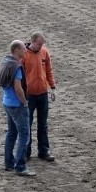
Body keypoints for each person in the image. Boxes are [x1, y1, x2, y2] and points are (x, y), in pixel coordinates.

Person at [0, 40, 35, 177]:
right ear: (17, 50)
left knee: (11, 133)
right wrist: (24, 102)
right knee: (24, 135)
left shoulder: (6, 61)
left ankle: (8, 163)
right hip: (17, 105)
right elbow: (18, 88)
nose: (25, 51)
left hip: (6, 102)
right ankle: (20, 166)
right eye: (24, 49)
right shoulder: (17, 66)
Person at [22, 31, 57, 162]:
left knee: (43, 125)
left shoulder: (44, 52)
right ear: (32, 41)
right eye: (39, 44)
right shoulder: (24, 55)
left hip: (42, 93)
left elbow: (49, 71)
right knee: (27, 124)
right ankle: (26, 152)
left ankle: (44, 151)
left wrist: (52, 88)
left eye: (42, 44)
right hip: (29, 95)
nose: (41, 46)